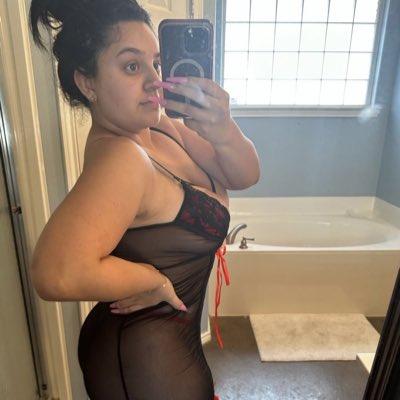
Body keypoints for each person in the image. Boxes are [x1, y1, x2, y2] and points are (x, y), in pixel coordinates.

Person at [29, 0, 260, 399]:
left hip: (157, 347)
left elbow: (244, 175)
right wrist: (152, 280)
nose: (155, 80)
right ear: (88, 83)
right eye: (132, 66)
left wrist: (223, 126)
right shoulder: (123, 158)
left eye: (156, 63)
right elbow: (54, 273)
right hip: (143, 358)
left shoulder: (163, 129)